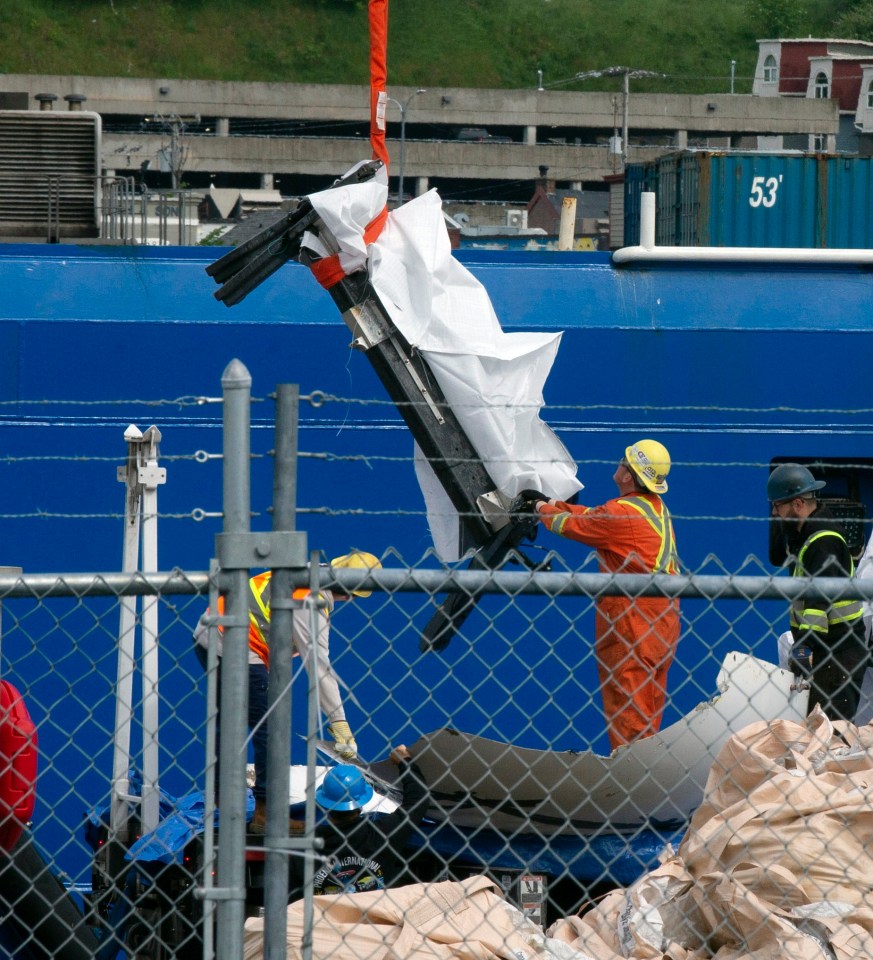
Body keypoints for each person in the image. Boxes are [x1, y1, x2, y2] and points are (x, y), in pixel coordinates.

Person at [193, 550, 382, 833]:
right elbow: (318, 666)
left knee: (230, 726)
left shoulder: (303, 571)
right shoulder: (311, 600)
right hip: (236, 646)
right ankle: (266, 813)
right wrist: (339, 722)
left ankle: (221, 800)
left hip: (210, 634)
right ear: (349, 594)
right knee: (270, 729)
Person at [517, 439, 680, 751]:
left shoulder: (623, 514)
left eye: (623, 460)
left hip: (633, 620)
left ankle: (631, 780)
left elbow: (575, 525)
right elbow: (593, 515)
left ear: (628, 475)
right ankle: (643, 774)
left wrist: (537, 507)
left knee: (628, 709)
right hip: (661, 619)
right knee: (647, 707)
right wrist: (549, 500)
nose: (618, 463)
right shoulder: (651, 508)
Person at [767, 463, 868, 722]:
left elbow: (817, 602)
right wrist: (779, 525)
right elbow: (776, 557)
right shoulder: (805, 532)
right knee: (817, 731)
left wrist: (804, 648)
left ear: (798, 504)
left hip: (838, 651)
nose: (774, 513)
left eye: (778, 506)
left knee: (831, 732)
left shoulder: (824, 541)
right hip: (827, 650)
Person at [289, 744, 429, 898]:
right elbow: (418, 799)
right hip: (372, 917)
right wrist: (405, 761)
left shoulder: (304, 845)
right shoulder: (384, 834)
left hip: (319, 919)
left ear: (325, 806)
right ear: (360, 804)